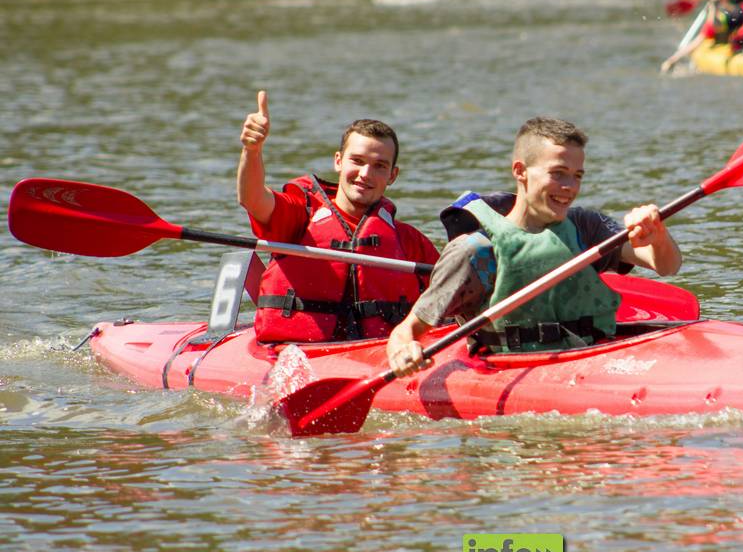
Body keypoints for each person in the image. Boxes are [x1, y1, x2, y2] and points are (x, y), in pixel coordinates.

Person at [386, 117, 682, 377]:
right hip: (511, 369)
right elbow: (407, 330)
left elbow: (667, 266)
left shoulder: (586, 227)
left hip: (591, 359)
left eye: (577, 175)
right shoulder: (474, 251)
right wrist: (403, 353)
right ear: (520, 171)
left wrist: (656, 233)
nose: (570, 186)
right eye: (558, 173)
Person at [237, 90, 439, 343]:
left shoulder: (410, 241)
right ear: (338, 161)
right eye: (357, 161)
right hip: (298, 350)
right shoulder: (300, 215)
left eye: (379, 166)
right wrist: (252, 150)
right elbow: (252, 199)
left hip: (380, 352)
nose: (365, 174)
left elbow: (451, 294)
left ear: (392, 176)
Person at [660, 0, 743, 74]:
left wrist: (671, 60)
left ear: (726, 0)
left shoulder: (721, 17)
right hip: (736, 49)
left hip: (720, 54)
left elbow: (701, 38)